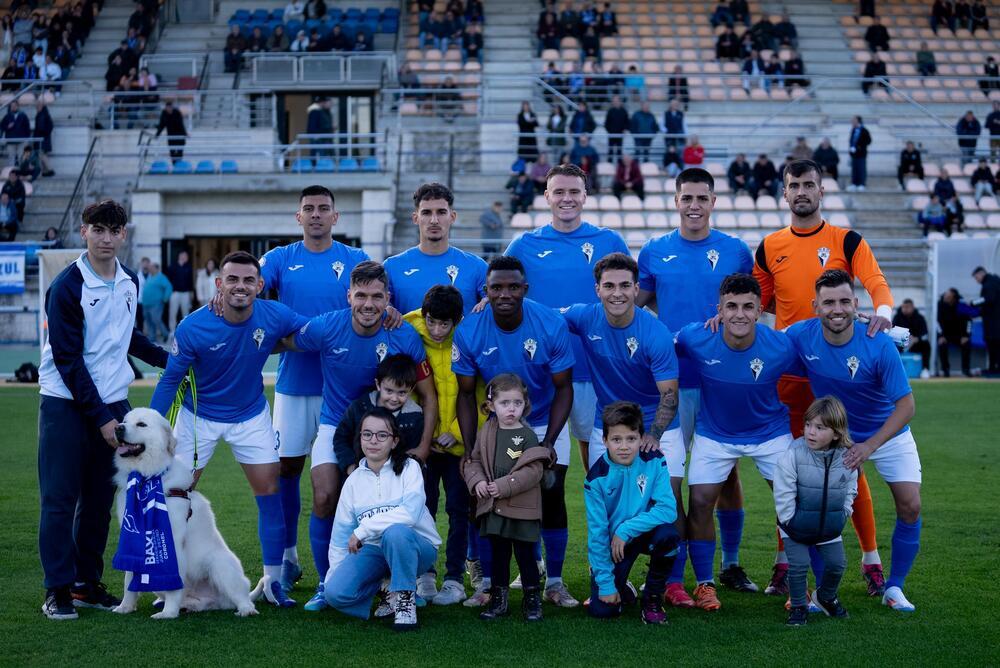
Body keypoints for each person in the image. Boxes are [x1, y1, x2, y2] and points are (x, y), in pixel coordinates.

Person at [753, 159, 893, 597]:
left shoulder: (845, 240)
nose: (801, 192)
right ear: (784, 192)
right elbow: (757, 304)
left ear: (821, 191)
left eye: (809, 185)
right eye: (793, 185)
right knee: (788, 471)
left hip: (834, 378)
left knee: (849, 466)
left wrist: (883, 315)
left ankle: (871, 559)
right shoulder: (769, 245)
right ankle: (783, 562)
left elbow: (875, 282)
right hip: (790, 379)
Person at [150, 251, 307, 608]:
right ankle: (169, 585)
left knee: (271, 491)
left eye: (248, 280)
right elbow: (171, 379)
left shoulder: (273, 313)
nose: (240, 286)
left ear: (260, 285)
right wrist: (154, 429)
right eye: (232, 280)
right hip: (197, 417)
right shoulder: (193, 325)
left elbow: (310, 329)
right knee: (176, 497)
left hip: (250, 415)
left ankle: (272, 581)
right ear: (219, 284)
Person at [37, 200, 167, 620]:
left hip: (112, 403)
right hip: (66, 402)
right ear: (84, 231)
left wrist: (173, 361)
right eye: (99, 229)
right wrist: (103, 418)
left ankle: (85, 584)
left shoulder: (129, 280)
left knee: (98, 500)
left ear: (123, 235)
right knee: (59, 498)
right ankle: (56, 589)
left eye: (114, 230)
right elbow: (69, 361)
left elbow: (129, 338)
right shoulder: (67, 287)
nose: (106, 238)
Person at [282, 261, 436, 610]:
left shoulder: (403, 334)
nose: (369, 304)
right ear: (348, 295)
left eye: (377, 296)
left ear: (388, 299)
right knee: (324, 496)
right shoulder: (327, 326)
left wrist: (423, 447)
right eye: (361, 295)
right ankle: (328, 582)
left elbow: (428, 395)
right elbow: (283, 339)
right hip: (337, 424)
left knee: (394, 503)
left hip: (387, 431)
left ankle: (397, 582)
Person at [636, 167, 755, 606]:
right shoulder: (654, 251)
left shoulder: (736, 251)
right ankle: (674, 574)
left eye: (701, 198)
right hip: (669, 382)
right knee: (670, 479)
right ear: (675, 201)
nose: (693, 205)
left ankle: (730, 563)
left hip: (721, 379)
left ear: (713, 201)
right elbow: (635, 304)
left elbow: (750, 309)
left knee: (726, 474)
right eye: (686, 198)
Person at [254, 186, 373, 594]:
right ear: (298, 216)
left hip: (345, 392)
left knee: (343, 476)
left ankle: (351, 559)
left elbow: (379, 299)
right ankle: (288, 558)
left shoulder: (355, 260)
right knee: (287, 469)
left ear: (336, 217)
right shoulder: (281, 259)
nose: (317, 214)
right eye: (309, 209)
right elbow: (252, 285)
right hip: (294, 384)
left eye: (324, 208)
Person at [787, 269, 923, 613]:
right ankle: (821, 593)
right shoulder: (801, 335)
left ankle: (894, 588)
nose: (837, 308)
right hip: (837, 436)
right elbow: (759, 342)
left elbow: (906, 406)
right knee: (816, 512)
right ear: (815, 306)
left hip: (886, 434)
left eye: (844, 301)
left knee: (911, 505)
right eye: (828, 302)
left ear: (856, 303)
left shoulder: (878, 341)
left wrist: (870, 446)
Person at [452, 255, 577, 607]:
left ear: (525, 289)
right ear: (485, 290)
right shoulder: (469, 330)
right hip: (495, 424)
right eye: (496, 287)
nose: (504, 294)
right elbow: (465, 393)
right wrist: (473, 448)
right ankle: (491, 583)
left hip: (540, 421)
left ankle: (553, 582)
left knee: (550, 493)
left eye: (512, 287)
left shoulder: (550, 323)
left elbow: (564, 388)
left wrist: (548, 442)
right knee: (489, 497)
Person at [504, 161, 629, 501]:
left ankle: (604, 546)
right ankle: (538, 551)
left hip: (596, 369)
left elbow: (630, 296)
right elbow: (499, 291)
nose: (566, 198)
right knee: (539, 469)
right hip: (543, 372)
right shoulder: (524, 244)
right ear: (546, 196)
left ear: (586, 196)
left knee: (603, 471)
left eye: (574, 191)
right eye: (559, 191)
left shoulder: (609, 240)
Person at [677, 273, 802, 611]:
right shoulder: (696, 337)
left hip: (769, 433)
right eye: (731, 306)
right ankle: (705, 584)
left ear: (760, 310)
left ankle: (799, 584)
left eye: (748, 307)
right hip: (715, 434)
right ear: (718, 309)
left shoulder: (781, 344)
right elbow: (657, 346)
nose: (739, 314)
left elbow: (822, 347)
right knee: (700, 500)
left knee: (793, 502)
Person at [322, 408, 441, 630]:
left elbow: (410, 513)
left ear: (394, 441)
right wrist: (336, 575)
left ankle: (405, 600)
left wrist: (364, 529)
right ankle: (387, 591)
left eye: (382, 435)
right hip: (375, 553)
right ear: (360, 438)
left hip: (416, 548)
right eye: (367, 434)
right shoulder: (353, 482)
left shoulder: (409, 468)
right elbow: (340, 535)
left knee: (396, 532)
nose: (373, 441)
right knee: (335, 593)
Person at [403, 286, 481, 606]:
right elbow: (406, 389)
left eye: (445, 324)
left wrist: (457, 434)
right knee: (423, 509)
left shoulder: (471, 337)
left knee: (459, 511)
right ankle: (425, 574)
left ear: (457, 321)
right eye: (432, 322)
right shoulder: (407, 330)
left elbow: (479, 393)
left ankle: (454, 579)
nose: (437, 330)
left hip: (458, 446)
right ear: (424, 315)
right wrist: (426, 432)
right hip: (423, 444)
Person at [463, 373, 550, 622]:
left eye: (517, 403)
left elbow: (534, 471)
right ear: (491, 405)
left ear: (525, 404)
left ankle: (532, 599)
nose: (511, 409)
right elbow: (475, 461)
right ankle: (499, 599)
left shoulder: (527, 435)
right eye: (504, 403)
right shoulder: (487, 430)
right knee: (499, 554)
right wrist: (477, 481)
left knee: (525, 554)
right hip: (495, 507)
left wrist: (504, 485)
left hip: (521, 507)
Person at [585, 401, 680, 624]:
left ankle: (652, 600)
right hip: (615, 546)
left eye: (631, 439)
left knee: (668, 537)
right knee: (603, 611)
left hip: (644, 533)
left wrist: (626, 529)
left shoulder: (654, 460)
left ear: (641, 438)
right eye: (616, 440)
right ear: (605, 441)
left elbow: (668, 510)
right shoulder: (595, 479)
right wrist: (607, 586)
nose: (624, 446)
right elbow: (597, 535)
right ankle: (619, 584)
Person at [773, 396, 858, 626]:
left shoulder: (847, 456)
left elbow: (851, 486)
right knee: (798, 566)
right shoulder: (794, 454)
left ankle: (826, 598)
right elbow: (782, 490)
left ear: (837, 433)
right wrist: (789, 519)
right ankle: (799, 607)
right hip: (795, 525)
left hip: (830, 525)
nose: (810, 432)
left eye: (819, 428)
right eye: (808, 424)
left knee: (837, 564)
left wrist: (844, 512)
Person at [385, 182, 488, 316]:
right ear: (416, 218)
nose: (434, 220)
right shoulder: (392, 267)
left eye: (441, 212)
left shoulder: (477, 267)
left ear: (452, 217)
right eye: (426, 213)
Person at [332, 354, 424, 470]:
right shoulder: (360, 407)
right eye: (389, 391)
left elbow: (411, 454)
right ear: (378, 384)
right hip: (359, 472)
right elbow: (341, 437)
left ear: (411, 389)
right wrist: (350, 466)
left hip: (396, 477)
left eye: (402, 393)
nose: (394, 398)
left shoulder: (414, 416)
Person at [972, 266, 1000, 375]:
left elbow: (987, 299)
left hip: (994, 322)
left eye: (976, 277)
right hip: (994, 321)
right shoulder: (995, 281)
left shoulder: (989, 284)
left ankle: (994, 369)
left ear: (981, 274)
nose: (977, 280)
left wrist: (973, 303)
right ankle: (993, 368)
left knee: (994, 344)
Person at [894, 299, 931, 377]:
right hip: (900, 343)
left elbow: (925, 334)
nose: (905, 309)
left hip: (915, 344)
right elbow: (892, 331)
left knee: (926, 345)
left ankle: (925, 369)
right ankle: (893, 370)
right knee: (890, 346)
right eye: (904, 307)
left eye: (908, 307)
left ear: (912, 307)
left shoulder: (920, 318)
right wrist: (903, 339)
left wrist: (916, 339)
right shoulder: (897, 317)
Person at [140, 261, 171, 343]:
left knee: (156, 319)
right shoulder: (150, 277)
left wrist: (165, 298)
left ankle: (166, 334)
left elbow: (169, 287)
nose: (150, 269)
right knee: (149, 321)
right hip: (146, 304)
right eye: (150, 267)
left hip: (156, 304)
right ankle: (152, 338)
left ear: (157, 268)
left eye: (152, 267)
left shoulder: (161, 277)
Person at [164, 249, 193, 335]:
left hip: (185, 293)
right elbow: (168, 279)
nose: (186, 257)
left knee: (186, 313)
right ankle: (172, 330)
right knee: (173, 312)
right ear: (180, 256)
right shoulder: (173, 266)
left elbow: (190, 281)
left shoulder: (189, 267)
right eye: (184, 255)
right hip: (175, 293)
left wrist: (191, 293)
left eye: (186, 256)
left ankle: (185, 330)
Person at [155, 99, 186, 164]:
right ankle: (174, 165)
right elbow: (161, 125)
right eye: (167, 108)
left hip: (179, 134)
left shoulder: (177, 112)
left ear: (172, 108)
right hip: (170, 135)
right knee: (172, 153)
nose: (169, 109)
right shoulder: (164, 113)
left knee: (179, 152)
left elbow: (181, 124)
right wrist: (157, 135)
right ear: (166, 108)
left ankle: (179, 166)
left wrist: (185, 134)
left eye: (170, 108)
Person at [604, 95, 629, 164]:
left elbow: (627, 122)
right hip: (611, 135)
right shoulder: (610, 111)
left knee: (619, 152)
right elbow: (606, 123)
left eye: (617, 100)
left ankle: (620, 168)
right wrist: (610, 131)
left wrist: (625, 129)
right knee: (610, 151)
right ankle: (609, 166)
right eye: (614, 101)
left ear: (620, 101)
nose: (615, 102)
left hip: (620, 135)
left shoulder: (624, 111)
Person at [848, 116, 871, 191]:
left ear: (858, 121)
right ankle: (854, 183)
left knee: (861, 169)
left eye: (854, 120)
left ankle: (862, 184)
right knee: (854, 169)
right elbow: (851, 140)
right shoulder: (853, 130)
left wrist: (860, 146)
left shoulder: (864, 130)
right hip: (854, 154)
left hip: (861, 154)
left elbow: (869, 141)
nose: (852, 122)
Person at [33, 98, 55, 177]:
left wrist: (40, 133)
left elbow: (40, 128)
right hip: (44, 139)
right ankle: (45, 171)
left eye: (38, 105)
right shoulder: (45, 114)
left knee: (42, 155)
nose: (36, 107)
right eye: (36, 106)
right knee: (42, 155)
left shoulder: (41, 115)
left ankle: (50, 169)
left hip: (41, 139)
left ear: (42, 106)